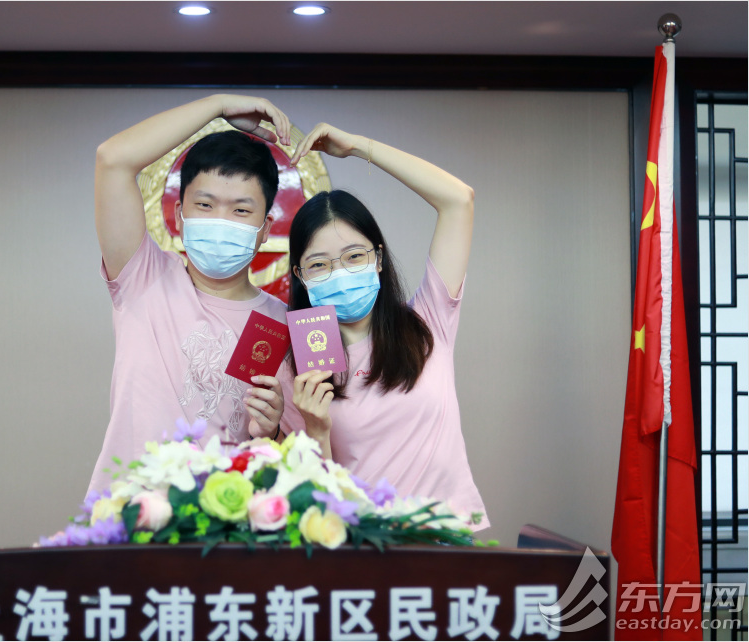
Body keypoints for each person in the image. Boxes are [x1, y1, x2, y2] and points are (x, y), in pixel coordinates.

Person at [87, 94, 302, 495]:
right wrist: (219, 104)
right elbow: (112, 158)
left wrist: (272, 433)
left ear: (266, 228)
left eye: (241, 210)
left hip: (224, 521)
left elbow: (305, 461)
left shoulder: (287, 325)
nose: (221, 221)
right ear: (180, 215)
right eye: (205, 204)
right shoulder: (144, 278)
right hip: (130, 515)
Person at [284, 122, 488, 529]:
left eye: (354, 256)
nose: (340, 273)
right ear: (301, 276)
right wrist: (317, 430)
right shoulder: (299, 369)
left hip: (449, 541)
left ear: (378, 258)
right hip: (364, 547)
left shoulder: (428, 320)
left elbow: (458, 200)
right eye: (319, 264)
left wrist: (359, 146)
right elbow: (314, 507)